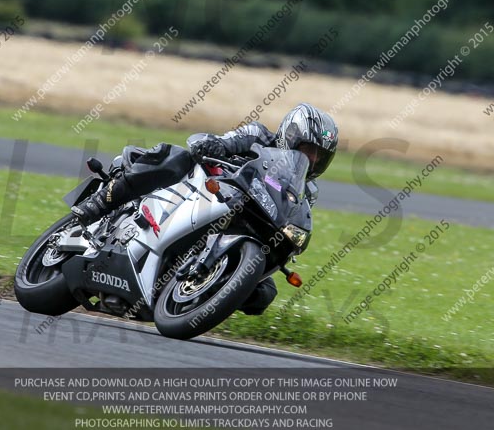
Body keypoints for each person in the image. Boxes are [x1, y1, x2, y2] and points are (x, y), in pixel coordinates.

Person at [72, 103, 339, 315]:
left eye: (319, 156)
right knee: (175, 156)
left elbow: (291, 216)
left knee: (264, 294)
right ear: (290, 136)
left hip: (244, 225)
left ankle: (193, 298)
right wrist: (216, 146)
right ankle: (98, 204)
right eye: (308, 149)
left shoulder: (306, 192)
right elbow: (227, 141)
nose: (312, 159)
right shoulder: (258, 136)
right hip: (203, 189)